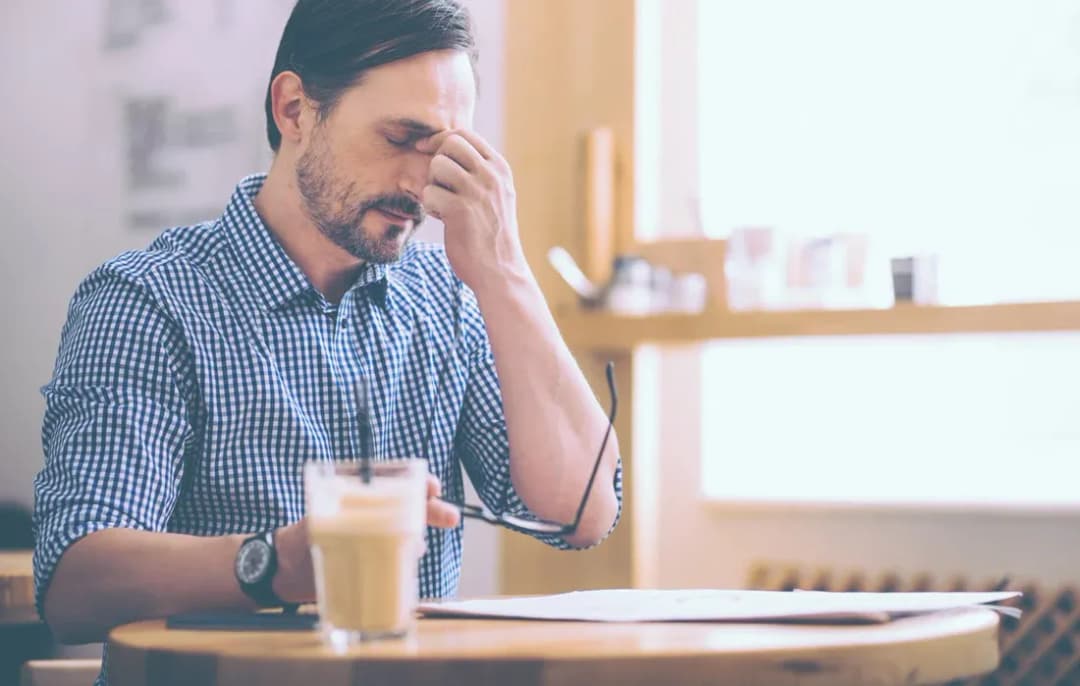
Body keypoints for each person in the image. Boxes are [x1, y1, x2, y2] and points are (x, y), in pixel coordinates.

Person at [33, 0, 621, 680]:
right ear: (294, 111)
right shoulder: (148, 303)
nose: (420, 185)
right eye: (401, 138)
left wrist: (505, 271)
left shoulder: (450, 298)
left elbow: (582, 513)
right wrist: (278, 563)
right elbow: (74, 585)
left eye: (446, 153)